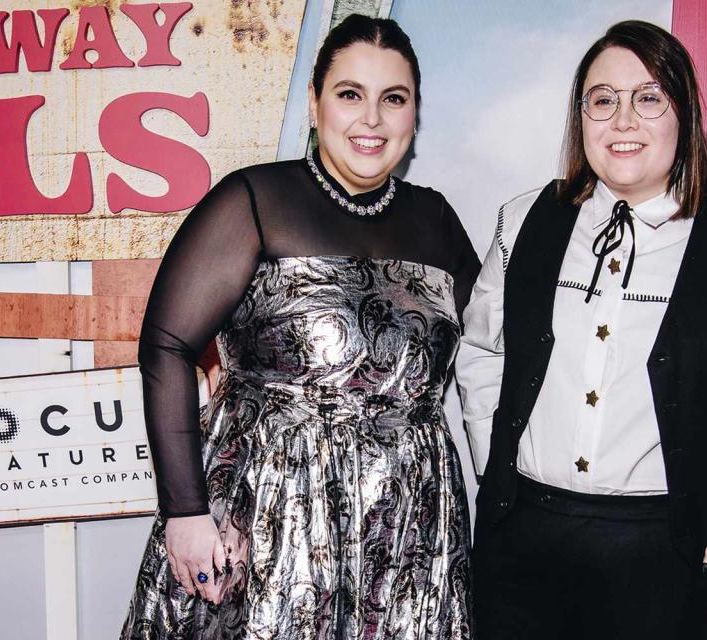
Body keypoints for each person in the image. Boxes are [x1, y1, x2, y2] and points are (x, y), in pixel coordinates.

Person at [457, 20, 707, 639]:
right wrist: (496, 462)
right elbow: (481, 351)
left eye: (648, 98)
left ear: (684, 112)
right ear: (581, 116)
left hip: (665, 558)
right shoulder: (523, 220)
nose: (623, 121)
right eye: (602, 99)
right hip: (521, 545)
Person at [121, 14, 478, 640]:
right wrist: (185, 510)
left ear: (414, 115)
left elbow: (493, 346)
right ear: (315, 104)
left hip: (408, 526)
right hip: (274, 515)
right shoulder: (254, 201)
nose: (371, 119)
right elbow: (167, 344)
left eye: (393, 99)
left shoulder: (437, 221)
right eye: (350, 95)